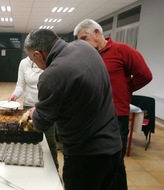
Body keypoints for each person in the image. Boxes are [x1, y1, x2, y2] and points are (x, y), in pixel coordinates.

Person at [24, 29, 122, 190]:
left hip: (85, 156)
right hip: (113, 146)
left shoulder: (51, 74)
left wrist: (35, 113)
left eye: (33, 60)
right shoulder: (85, 47)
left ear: (38, 55)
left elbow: (41, 124)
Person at [73, 19, 153, 190]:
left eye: (84, 38)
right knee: (96, 160)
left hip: (116, 116)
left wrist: (126, 88)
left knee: (115, 163)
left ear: (96, 32)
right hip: (93, 117)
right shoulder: (88, 55)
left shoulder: (121, 50)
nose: (82, 44)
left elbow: (145, 75)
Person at [8, 56, 58, 169]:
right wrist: (15, 94)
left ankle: (54, 167)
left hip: (46, 107)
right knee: (29, 139)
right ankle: (30, 167)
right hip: (28, 106)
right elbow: (20, 85)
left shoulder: (49, 60)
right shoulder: (24, 63)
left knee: (49, 140)